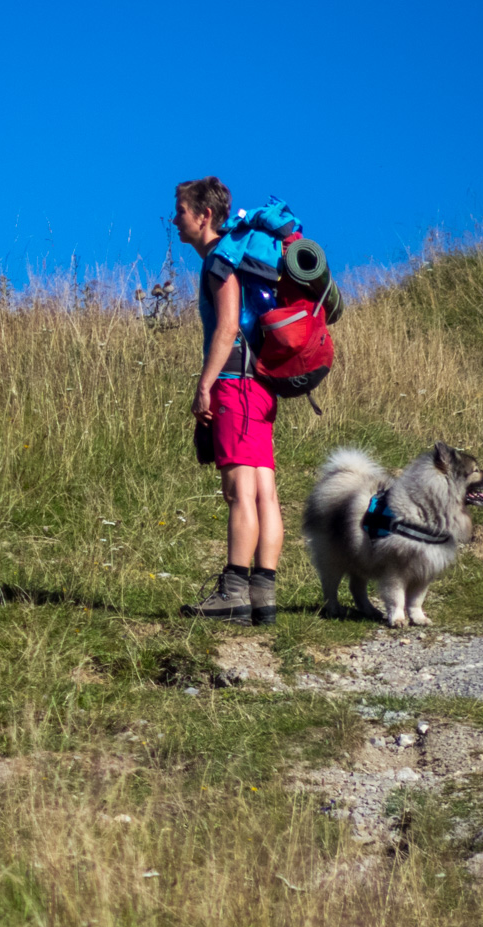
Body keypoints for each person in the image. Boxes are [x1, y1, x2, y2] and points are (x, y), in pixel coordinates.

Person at [173, 176, 283, 626]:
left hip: (235, 383)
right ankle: (263, 596)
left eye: (180, 210)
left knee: (241, 491)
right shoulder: (241, 256)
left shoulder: (220, 260)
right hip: (260, 385)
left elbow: (225, 327)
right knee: (263, 493)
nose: (174, 219)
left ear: (204, 216)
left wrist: (205, 384)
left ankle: (234, 592)